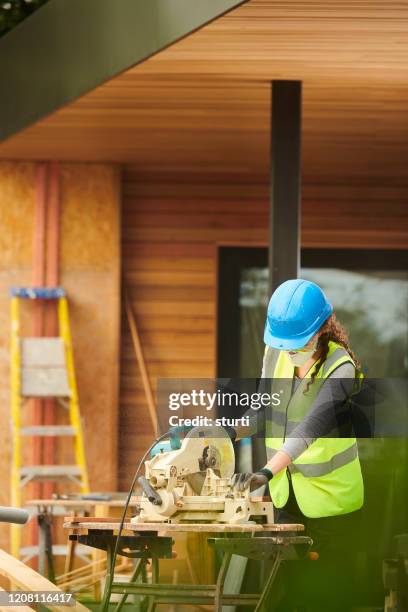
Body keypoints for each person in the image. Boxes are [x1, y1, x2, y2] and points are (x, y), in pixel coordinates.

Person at [231, 278, 365, 611]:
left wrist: (265, 471)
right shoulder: (277, 353)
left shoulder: (341, 369)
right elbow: (262, 409)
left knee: (325, 599)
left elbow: (311, 427)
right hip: (286, 500)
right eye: (285, 344)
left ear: (321, 329)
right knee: (286, 597)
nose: (290, 351)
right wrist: (226, 432)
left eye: (297, 343)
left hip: (331, 507)